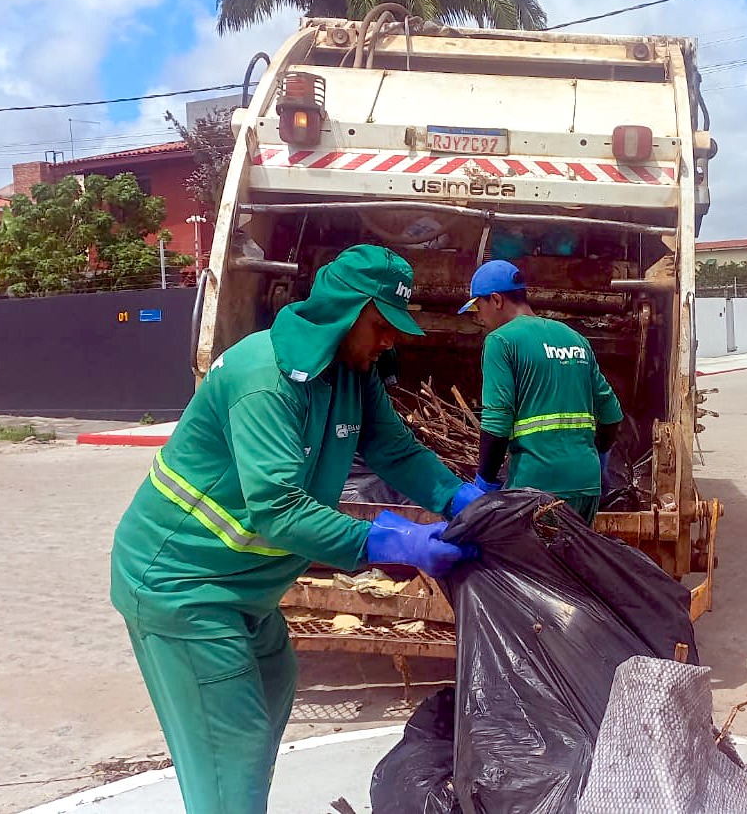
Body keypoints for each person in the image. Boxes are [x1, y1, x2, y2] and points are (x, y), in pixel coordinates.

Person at [110, 245, 485, 814]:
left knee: (271, 689)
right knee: (229, 748)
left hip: (243, 590)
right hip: (181, 583)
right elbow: (277, 509)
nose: (391, 341)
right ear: (345, 311)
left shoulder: (351, 375)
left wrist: (456, 496)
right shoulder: (267, 379)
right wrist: (386, 540)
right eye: (382, 326)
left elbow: (393, 448)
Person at [459, 259, 624, 524]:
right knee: (575, 564)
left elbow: (497, 421)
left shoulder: (500, 342)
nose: (478, 316)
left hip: (536, 488)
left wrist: (485, 482)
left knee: (533, 566)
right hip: (587, 485)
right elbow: (612, 414)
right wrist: (599, 461)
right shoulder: (575, 338)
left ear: (496, 300)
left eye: (478, 307)